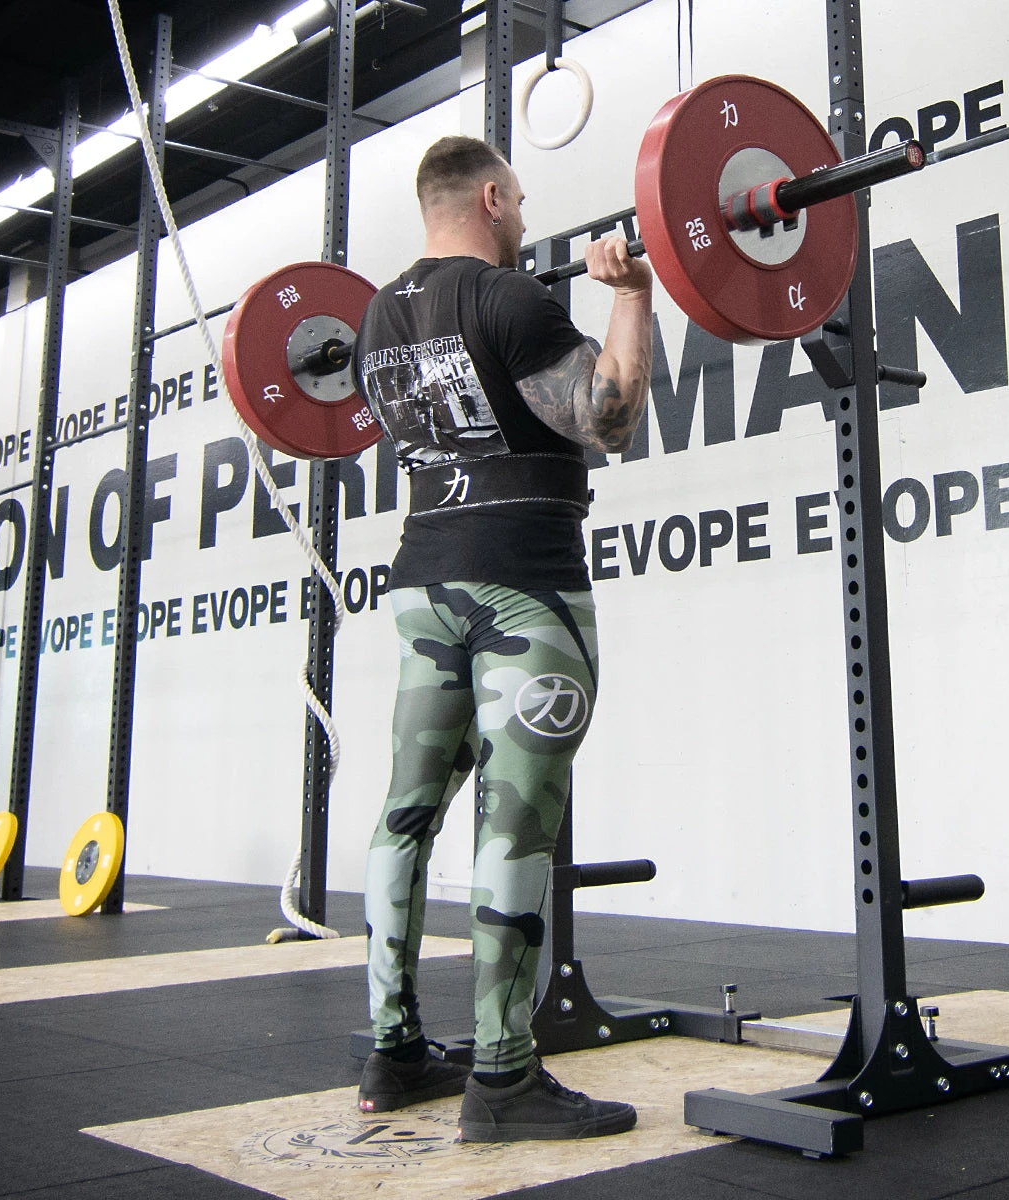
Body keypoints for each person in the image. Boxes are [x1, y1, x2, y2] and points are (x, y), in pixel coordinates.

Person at [351, 134, 653, 1142]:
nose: (523, 218)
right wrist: (632, 294)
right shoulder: (510, 298)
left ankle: (393, 1050)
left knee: (407, 812)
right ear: (489, 197)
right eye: (517, 201)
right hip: (523, 588)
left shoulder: (374, 318)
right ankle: (504, 1077)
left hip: (422, 583)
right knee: (513, 823)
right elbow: (608, 417)